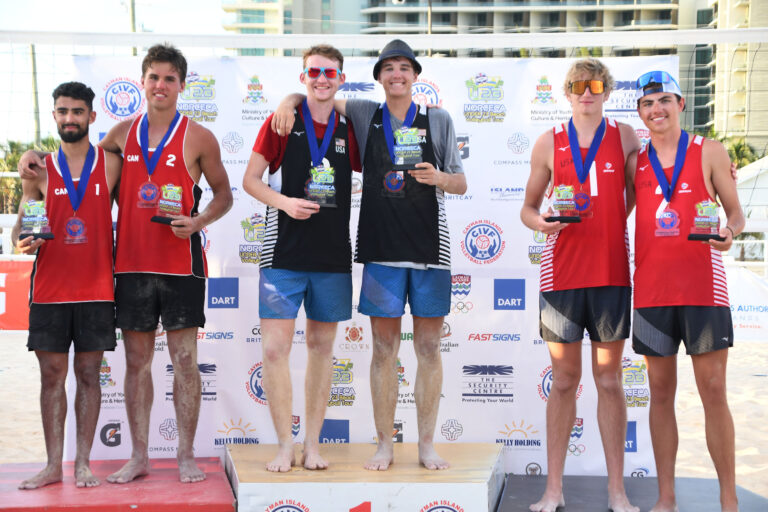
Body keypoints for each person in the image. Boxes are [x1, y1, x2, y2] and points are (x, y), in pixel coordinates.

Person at [19, 44, 233, 484]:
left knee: (185, 361)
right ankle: (139, 456)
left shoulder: (199, 137)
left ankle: (185, 455)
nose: (160, 85)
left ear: (181, 85)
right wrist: (33, 161)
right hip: (130, 269)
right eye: (153, 77)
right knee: (137, 363)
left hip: (180, 267)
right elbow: (74, 162)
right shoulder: (118, 135)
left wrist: (198, 221)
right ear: (142, 82)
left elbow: (224, 194)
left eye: (169, 78)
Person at [272, 39, 466, 471]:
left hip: (431, 250)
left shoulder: (439, 119)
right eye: (388, 68)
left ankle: (427, 445)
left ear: (416, 75)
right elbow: (316, 94)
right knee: (383, 349)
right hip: (380, 251)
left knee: (430, 348)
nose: (397, 75)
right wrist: (288, 99)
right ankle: (385, 445)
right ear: (378, 77)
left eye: (404, 68)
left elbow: (461, 182)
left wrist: (440, 178)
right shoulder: (363, 113)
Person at [520, 59, 641, 512]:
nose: (585, 92)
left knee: (609, 380)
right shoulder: (548, 142)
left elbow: (638, 193)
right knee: (565, 380)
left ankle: (617, 492)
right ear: (566, 93)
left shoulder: (625, 135)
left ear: (607, 92)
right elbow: (528, 208)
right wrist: (543, 224)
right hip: (562, 276)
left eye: (594, 85)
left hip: (611, 274)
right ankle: (553, 489)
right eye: (577, 86)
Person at [242, 44, 361, 472]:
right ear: (302, 76)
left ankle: (313, 444)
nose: (321, 78)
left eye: (330, 72)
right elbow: (251, 180)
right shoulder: (281, 122)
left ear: (341, 78)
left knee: (321, 349)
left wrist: (292, 98)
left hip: (331, 258)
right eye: (313, 72)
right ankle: (283, 445)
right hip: (282, 255)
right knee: (275, 351)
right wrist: (285, 203)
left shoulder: (352, 127)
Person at [632, 70, 743, 512]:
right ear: (640, 113)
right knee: (660, 393)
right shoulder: (633, 160)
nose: (656, 109)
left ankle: (729, 499)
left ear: (681, 104)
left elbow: (735, 213)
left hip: (703, 290)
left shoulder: (711, 151)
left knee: (713, 389)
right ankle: (665, 497)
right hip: (652, 293)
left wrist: (729, 233)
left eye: (664, 100)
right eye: (647, 103)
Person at [12, 82, 121, 489]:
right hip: (50, 291)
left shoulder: (112, 163)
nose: (70, 118)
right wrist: (25, 238)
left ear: (92, 117)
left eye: (78, 111)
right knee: (51, 376)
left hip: (96, 288)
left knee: (90, 374)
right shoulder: (38, 168)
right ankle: (52, 465)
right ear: (54, 116)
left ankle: (84, 465)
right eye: (63, 111)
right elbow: (23, 228)